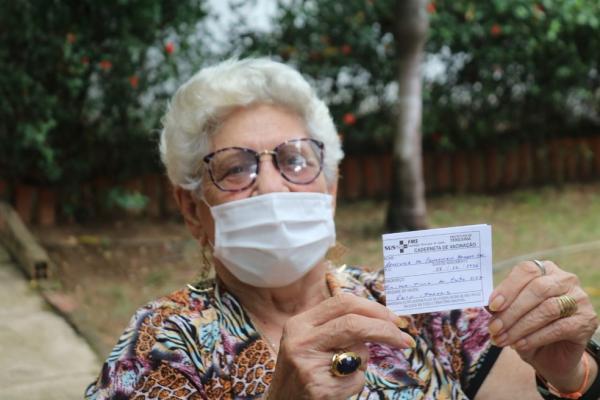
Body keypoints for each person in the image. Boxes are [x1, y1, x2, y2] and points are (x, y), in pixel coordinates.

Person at [85, 58, 600, 399]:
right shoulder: (167, 342)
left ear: (329, 189)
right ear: (193, 208)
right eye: (235, 167)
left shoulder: (416, 301)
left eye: (293, 159)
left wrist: (567, 375)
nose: (270, 187)